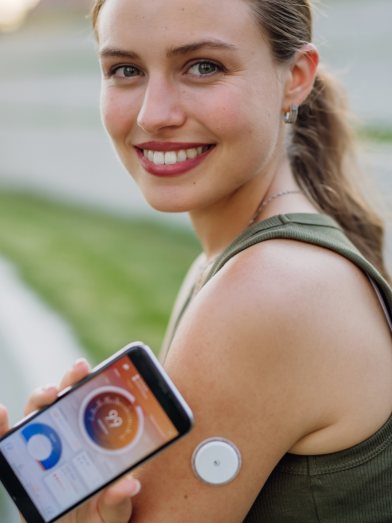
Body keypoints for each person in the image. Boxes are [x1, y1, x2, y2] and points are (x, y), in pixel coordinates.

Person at [1, 0, 392, 521]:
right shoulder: (235, 261)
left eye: (203, 66)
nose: (153, 114)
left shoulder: (268, 290)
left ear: (295, 78)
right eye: (125, 70)